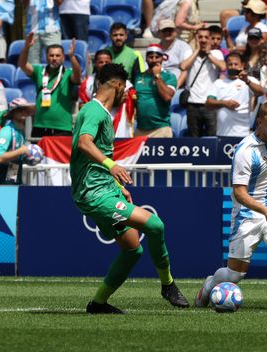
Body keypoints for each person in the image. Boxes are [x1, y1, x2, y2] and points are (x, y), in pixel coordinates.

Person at [70, 63, 189, 314]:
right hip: (94, 193)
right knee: (155, 225)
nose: (128, 94)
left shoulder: (102, 112)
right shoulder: (94, 111)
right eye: (127, 88)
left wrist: (116, 185)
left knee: (132, 249)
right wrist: (112, 165)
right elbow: (84, 143)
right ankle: (168, 285)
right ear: (117, 85)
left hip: (105, 189)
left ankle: (98, 304)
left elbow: (96, 154)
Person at [194, 101, 267, 313]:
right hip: (247, 215)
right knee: (234, 274)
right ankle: (210, 284)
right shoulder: (245, 151)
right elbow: (239, 192)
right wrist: (263, 210)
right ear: (259, 122)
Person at [19, 33, 82, 137]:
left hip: (62, 128)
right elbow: (23, 65)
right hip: (40, 127)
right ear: (46, 57)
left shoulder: (67, 74)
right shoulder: (39, 71)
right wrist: (26, 48)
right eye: (51, 55)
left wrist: (72, 57)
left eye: (58, 55)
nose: (54, 58)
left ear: (63, 58)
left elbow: (77, 75)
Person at [179, 28, 226, 137]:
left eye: (206, 37)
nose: (203, 40)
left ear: (210, 39)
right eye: (200, 37)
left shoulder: (216, 53)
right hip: (192, 103)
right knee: (194, 139)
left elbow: (223, 66)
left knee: (212, 138)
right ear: (196, 38)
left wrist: (208, 53)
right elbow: (183, 66)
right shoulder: (189, 53)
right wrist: (196, 51)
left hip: (210, 104)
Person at [205, 51, 262, 137]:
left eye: (236, 64)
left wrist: (247, 81)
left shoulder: (249, 80)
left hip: (243, 134)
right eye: (230, 64)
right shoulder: (218, 83)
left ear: (242, 65)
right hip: (222, 134)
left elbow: (260, 92)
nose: (233, 67)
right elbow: (208, 103)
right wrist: (225, 103)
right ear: (226, 65)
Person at [0, 98, 35, 185]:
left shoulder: (21, 132)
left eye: (25, 109)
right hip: (1, 180)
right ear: (13, 113)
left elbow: (15, 155)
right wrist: (20, 151)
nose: (23, 112)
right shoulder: (7, 131)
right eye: (19, 109)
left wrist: (29, 158)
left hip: (14, 176)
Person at [134, 44, 176, 137]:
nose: (153, 60)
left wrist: (157, 76)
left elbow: (167, 97)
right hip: (140, 129)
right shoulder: (138, 77)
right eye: (150, 57)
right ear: (146, 58)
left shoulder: (169, 76)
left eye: (157, 57)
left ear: (162, 59)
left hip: (161, 129)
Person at [22, 0, 62, 64]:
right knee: (33, 65)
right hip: (32, 31)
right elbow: (24, 3)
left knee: (55, 63)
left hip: (52, 30)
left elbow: (60, 2)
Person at [157, 19, 192, 89]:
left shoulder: (184, 47)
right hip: (159, 85)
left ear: (175, 32)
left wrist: (175, 87)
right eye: (164, 30)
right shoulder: (155, 49)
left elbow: (186, 70)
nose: (167, 32)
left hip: (178, 86)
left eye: (170, 30)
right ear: (159, 33)